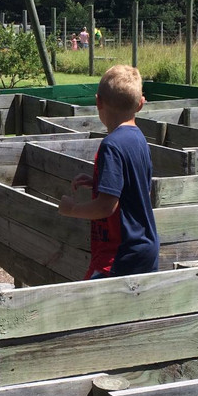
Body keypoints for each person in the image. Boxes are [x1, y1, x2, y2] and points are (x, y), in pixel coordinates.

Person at [59, 65, 158, 278]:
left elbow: (106, 207)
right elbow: (135, 189)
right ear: (141, 104)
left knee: (89, 308)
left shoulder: (111, 146)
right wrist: (99, 183)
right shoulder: (140, 140)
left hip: (119, 254)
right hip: (144, 248)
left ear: (98, 102)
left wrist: (71, 209)